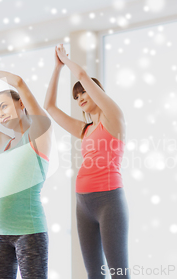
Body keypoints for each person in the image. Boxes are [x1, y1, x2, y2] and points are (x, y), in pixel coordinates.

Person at [44, 44, 130, 279]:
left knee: (119, 273)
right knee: (94, 275)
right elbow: (49, 106)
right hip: (83, 204)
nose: (81, 97)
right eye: (77, 95)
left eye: (84, 92)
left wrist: (65, 59)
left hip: (109, 201)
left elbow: (82, 75)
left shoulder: (113, 117)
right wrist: (56, 68)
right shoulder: (85, 129)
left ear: (97, 92)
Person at [0, 47, 52, 279]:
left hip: (29, 232)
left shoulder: (39, 133)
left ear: (21, 104)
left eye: (4, 106)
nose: (0, 114)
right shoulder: (4, 143)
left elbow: (20, 83)